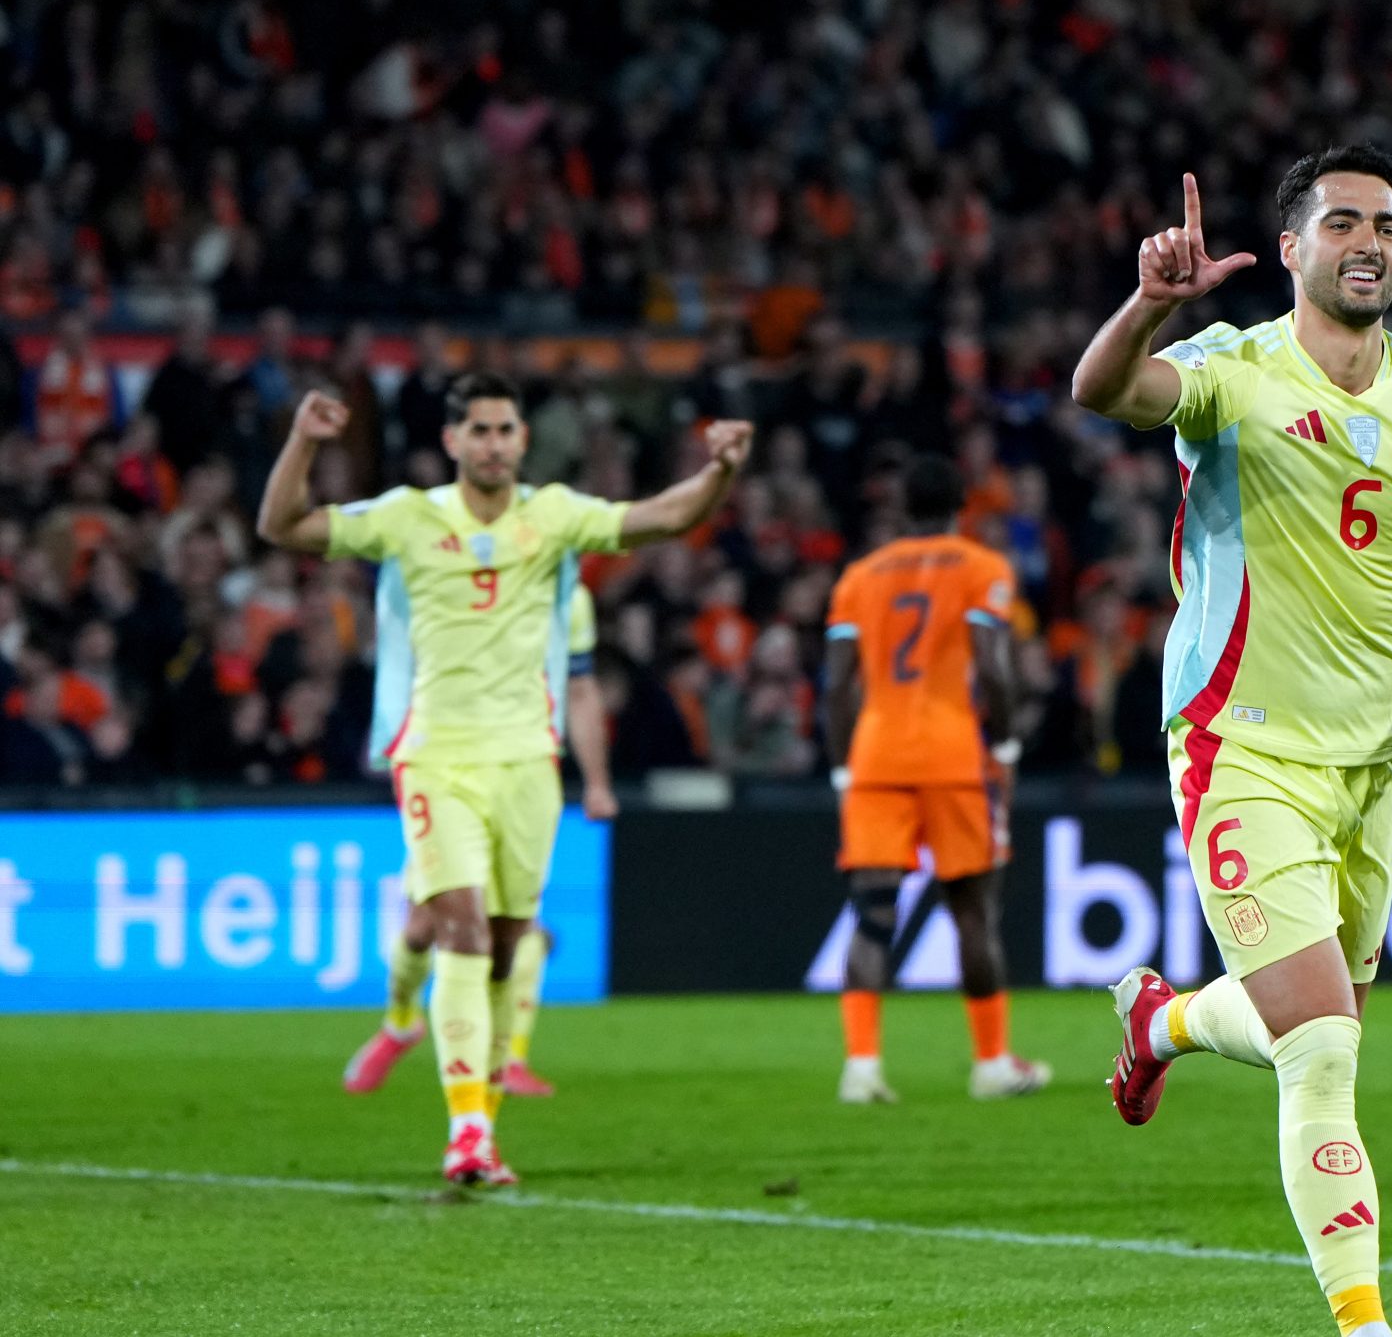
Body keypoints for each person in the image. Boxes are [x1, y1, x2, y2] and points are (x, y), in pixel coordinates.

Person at [1069, 151, 1392, 1337]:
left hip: (1371, 765)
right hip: (1238, 747)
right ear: (1290, 248)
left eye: (1386, 223)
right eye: (1341, 222)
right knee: (1324, 1050)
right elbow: (1102, 387)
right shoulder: (1232, 370)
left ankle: (1161, 1025)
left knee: (1305, 1025)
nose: (1369, 242)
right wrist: (1149, 306)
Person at [259, 375, 751, 1185]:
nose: (492, 443)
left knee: (507, 948)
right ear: (452, 441)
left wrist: (722, 470)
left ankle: (476, 1122)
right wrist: (307, 442)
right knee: (460, 927)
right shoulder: (406, 517)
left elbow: (667, 516)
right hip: (436, 756)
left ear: (523, 439)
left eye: (504, 429)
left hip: (528, 760)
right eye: (478, 430)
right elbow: (280, 524)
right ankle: (466, 1136)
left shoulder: (554, 514)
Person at [821, 455, 1045, 1105]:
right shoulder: (983, 569)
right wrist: (1003, 740)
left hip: (877, 756)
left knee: (871, 917)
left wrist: (842, 765)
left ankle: (861, 1068)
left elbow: (837, 683)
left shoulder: (860, 577)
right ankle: (991, 1063)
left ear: (901, 507)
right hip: (952, 757)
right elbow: (994, 668)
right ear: (961, 507)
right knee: (974, 914)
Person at [342, 579, 617, 1100]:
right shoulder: (444, 576)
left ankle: (508, 1061)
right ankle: (401, 1022)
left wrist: (598, 783)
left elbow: (579, 687)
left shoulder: (567, 597)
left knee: (520, 926)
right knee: (424, 926)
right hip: (448, 768)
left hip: (523, 770)